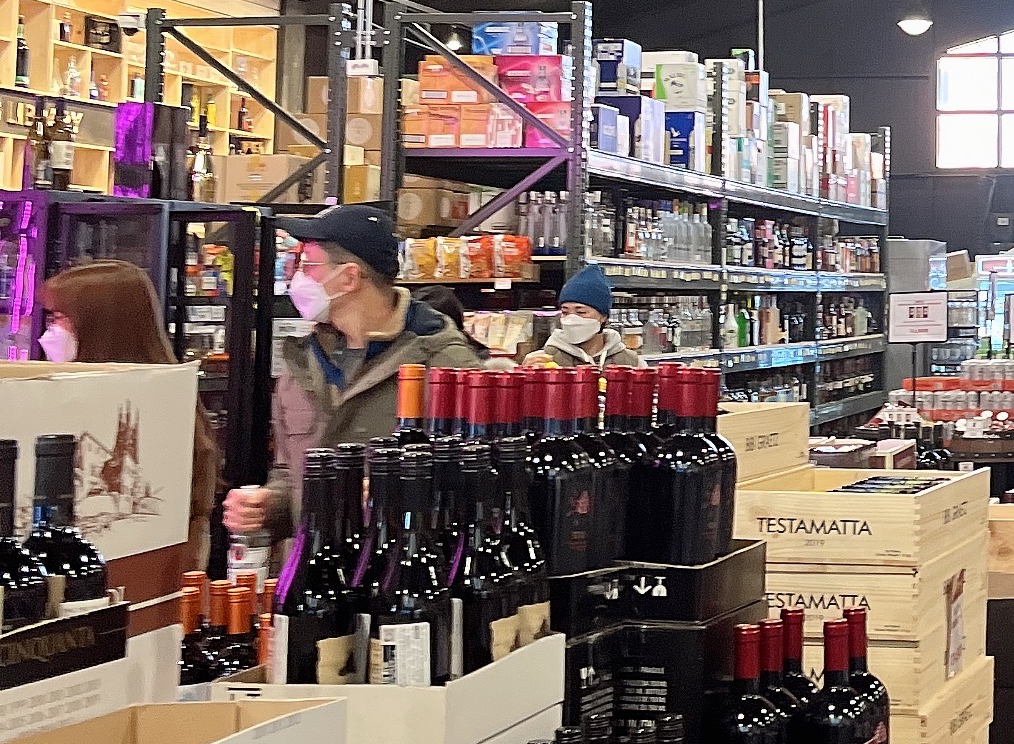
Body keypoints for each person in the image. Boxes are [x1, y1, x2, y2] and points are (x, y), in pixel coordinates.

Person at [223, 207, 477, 542]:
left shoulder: (445, 364)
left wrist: (399, 491)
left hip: (399, 563)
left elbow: (476, 482)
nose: (296, 277)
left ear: (349, 277)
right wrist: (269, 506)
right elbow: (289, 472)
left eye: (308, 265)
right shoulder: (301, 361)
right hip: (315, 563)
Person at [40, 258, 219, 570]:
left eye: (58, 319)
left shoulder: (159, 414)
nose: (49, 333)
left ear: (99, 327)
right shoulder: (174, 401)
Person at [536, 263, 637, 369]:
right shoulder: (544, 359)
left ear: (603, 316)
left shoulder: (630, 362)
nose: (571, 319)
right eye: (565, 312)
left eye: (581, 312)